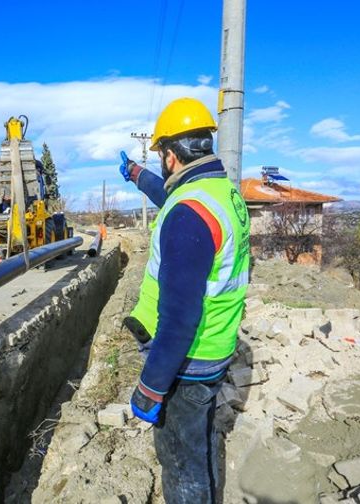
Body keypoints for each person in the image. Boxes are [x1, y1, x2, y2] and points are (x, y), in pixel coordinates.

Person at [119, 97, 250, 503]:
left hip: (189, 359)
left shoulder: (188, 215)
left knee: (181, 458)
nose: (161, 163)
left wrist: (152, 387)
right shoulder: (221, 194)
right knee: (202, 439)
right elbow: (169, 195)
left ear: (172, 156)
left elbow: (178, 318)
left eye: (160, 155)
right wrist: (136, 174)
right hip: (217, 345)